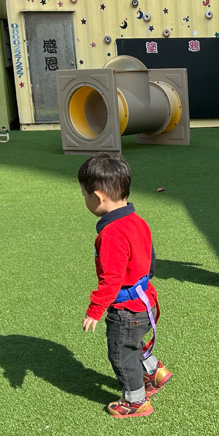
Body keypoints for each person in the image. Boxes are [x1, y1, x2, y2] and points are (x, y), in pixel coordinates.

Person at [80, 153, 171, 418]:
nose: (85, 200)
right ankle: (154, 371)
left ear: (98, 197)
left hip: (126, 309)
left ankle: (135, 400)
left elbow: (111, 279)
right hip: (145, 300)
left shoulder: (111, 234)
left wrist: (95, 310)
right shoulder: (137, 221)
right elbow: (151, 258)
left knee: (121, 352)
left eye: (84, 195)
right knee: (133, 342)